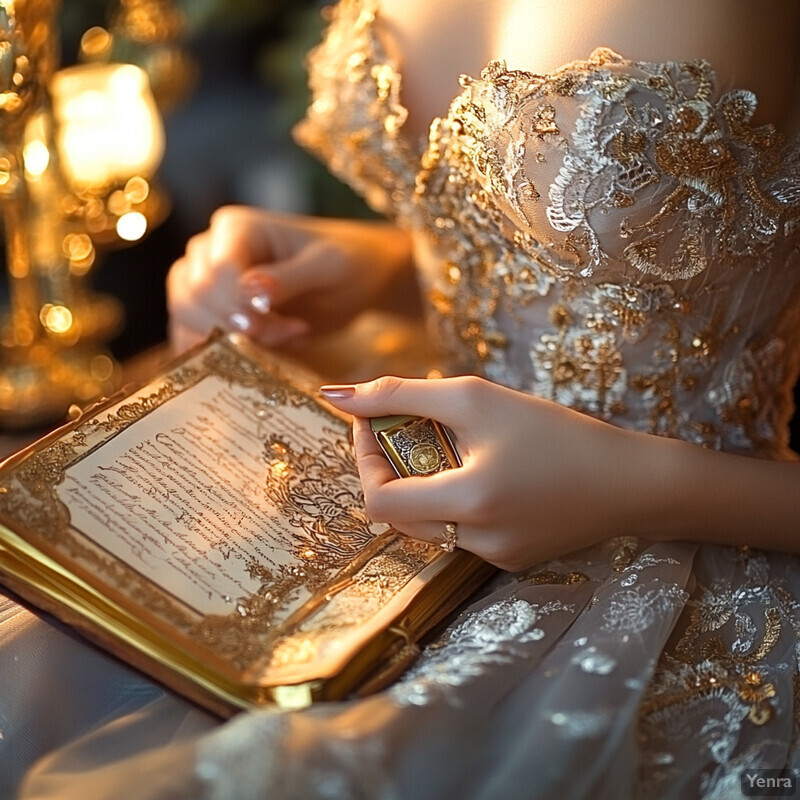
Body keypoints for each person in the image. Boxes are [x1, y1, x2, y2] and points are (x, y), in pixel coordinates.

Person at [9, 0, 800, 797]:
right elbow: (513, 230)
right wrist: (389, 266)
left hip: (687, 556)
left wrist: (641, 485)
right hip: (406, 475)